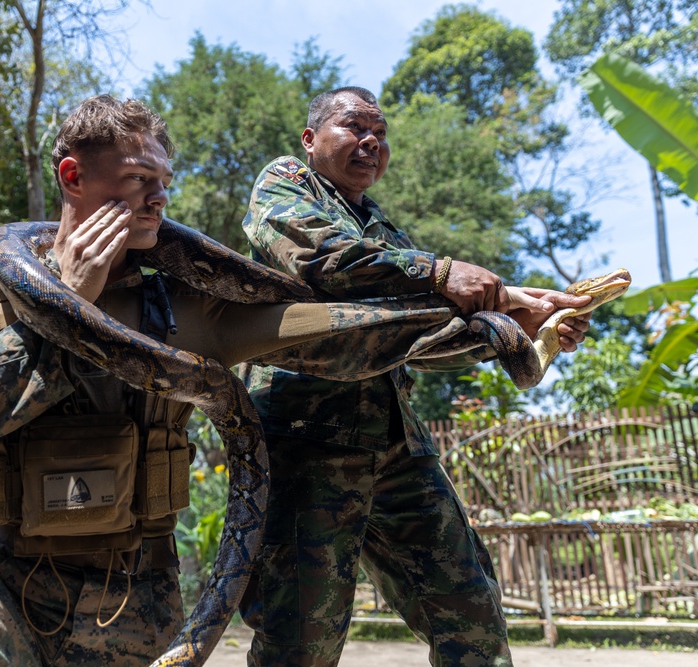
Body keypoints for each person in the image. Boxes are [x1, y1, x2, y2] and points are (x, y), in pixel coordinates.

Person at [0, 95, 512, 667]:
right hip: (4, 583)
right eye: (137, 181)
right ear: (72, 176)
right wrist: (61, 315)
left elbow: (328, 333)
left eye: (165, 182)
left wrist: (495, 320)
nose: (159, 200)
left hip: (140, 605)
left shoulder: (183, 306)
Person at [236, 86, 594, 667]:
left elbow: (423, 342)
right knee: (301, 636)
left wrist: (523, 324)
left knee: (472, 614)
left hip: (398, 446)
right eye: (354, 127)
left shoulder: (386, 231)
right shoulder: (286, 186)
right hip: (306, 441)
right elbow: (326, 260)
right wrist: (441, 272)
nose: (371, 142)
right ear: (310, 140)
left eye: (380, 134)